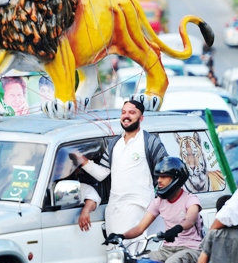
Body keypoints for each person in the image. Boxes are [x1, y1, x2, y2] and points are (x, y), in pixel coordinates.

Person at [116, 157, 200, 263]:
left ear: (176, 178)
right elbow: (140, 228)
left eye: (164, 177)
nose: (159, 181)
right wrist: (120, 236)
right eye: (158, 177)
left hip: (192, 249)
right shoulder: (159, 202)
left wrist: (176, 229)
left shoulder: (190, 199)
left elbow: (190, 219)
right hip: (168, 249)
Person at [71, 100, 168, 238]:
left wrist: (160, 199)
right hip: (114, 209)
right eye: (123, 112)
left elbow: (166, 170)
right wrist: (81, 160)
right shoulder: (114, 144)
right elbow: (102, 174)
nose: (126, 116)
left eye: (132, 112)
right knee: (115, 252)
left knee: (130, 252)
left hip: (139, 206)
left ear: (141, 118)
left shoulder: (150, 142)